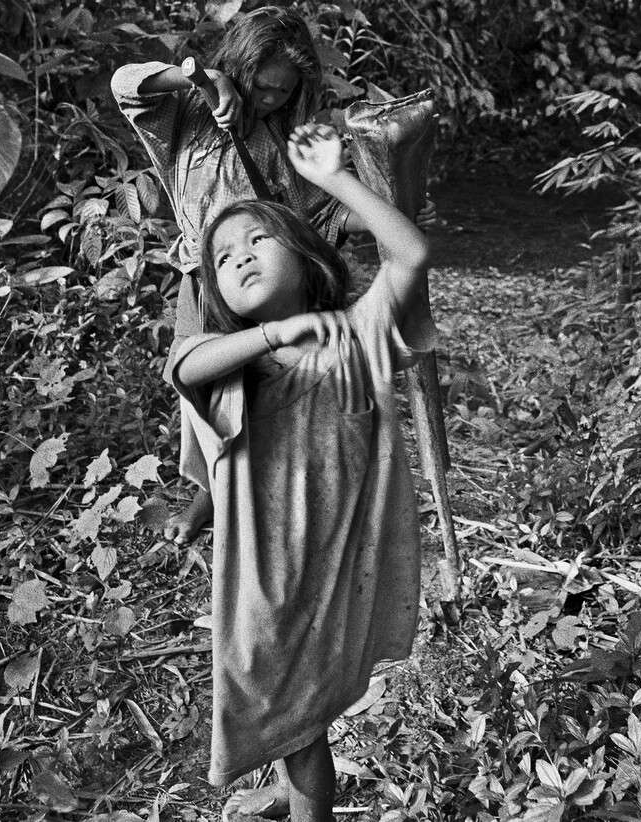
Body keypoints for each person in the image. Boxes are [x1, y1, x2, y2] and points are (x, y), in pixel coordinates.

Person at [171, 123, 432, 822]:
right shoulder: (237, 361)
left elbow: (408, 254)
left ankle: (307, 812)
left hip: (338, 561)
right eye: (224, 258)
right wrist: (273, 335)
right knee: (275, 696)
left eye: (259, 241)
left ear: (309, 258)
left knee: (304, 715)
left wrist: (335, 179)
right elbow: (183, 364)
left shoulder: (356, 334)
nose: (242, 257)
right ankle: (292, 797)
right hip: (263, 570)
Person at [111, 6, 360, 545]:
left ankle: (277, 496)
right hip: (205, 279)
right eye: (261, 85)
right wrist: (199, 78)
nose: (268, 100)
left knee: (263, 388)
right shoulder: (182, 115)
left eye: (283, 93)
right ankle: (210, 493)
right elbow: (125, 85)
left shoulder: (280, 138)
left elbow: (321, 214)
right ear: (238, 64)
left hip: (267, 282)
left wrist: (388, 204)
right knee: (202, 384)